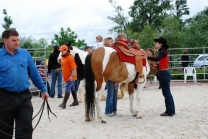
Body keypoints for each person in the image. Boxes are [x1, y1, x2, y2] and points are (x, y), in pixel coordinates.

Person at [0, 29, 49, 138]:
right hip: (4, 98)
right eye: (13, 40)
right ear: (5, 40)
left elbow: (34, 74)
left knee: (25, 129)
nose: (17, 42)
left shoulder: (25, 54)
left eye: (18, 40)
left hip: (24, 97)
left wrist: (43, 89)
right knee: (3, 132)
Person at [147, 37, 175, 117]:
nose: (155, 44)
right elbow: (160, 61)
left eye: (157, 43)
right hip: (164, 72)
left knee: (166, 92)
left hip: (164, 73)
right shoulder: (164, 51)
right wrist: (158, 65)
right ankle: (171, 110)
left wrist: (147, 57)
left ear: (160, 44)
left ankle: (169, 111)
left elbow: (157, 59)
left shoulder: (162, 51)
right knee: (168, 92)